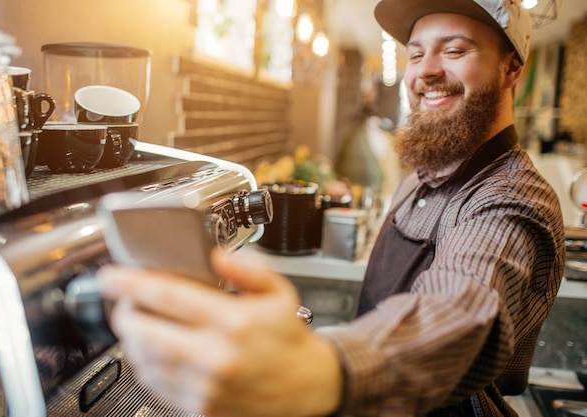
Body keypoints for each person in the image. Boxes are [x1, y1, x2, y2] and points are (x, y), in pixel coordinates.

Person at [97, 0, 566, 415]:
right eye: (416, 52)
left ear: (511, 69)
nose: (426, 70)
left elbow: (461, 311)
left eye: (456, 50)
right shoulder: (426, 171)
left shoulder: (510, 199)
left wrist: (319, 371)